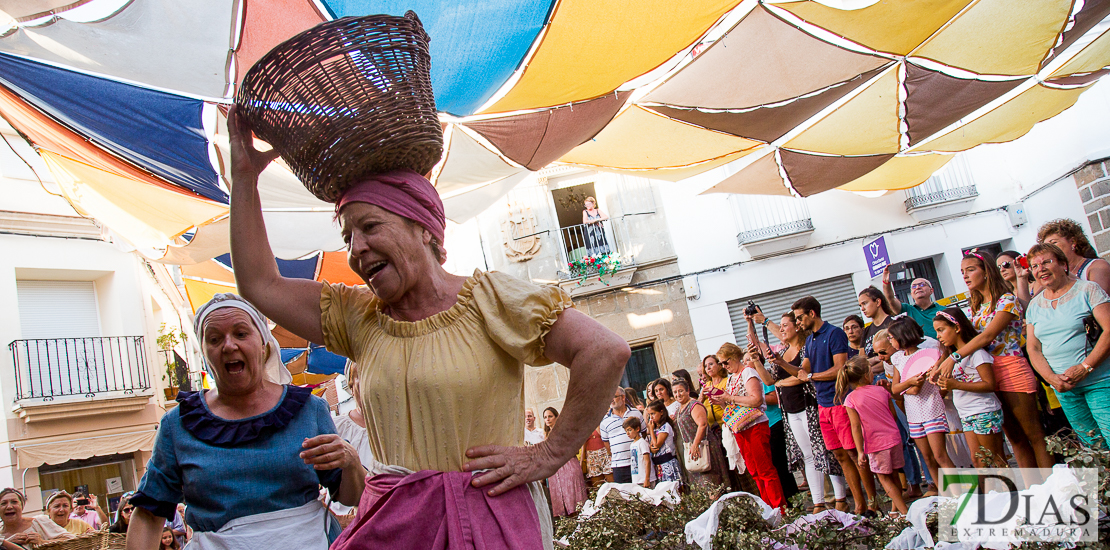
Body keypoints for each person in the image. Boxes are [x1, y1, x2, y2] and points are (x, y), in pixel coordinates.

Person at [227, 106, 630, 550]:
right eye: (348, 237)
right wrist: (244, 176)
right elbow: (259, 283)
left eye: (370, 227)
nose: (357, 249)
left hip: (489, 522)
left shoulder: (489, 299)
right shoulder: (356, 316)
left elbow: (604, 350)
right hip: (395, 526)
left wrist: (549, 454)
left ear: (423, 229)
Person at [125, 295, 367, 550]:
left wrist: (350, 462)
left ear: (264, 345)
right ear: (205, 352)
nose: (228, 346)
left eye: (241, 334)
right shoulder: (179, 425)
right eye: (214, 339)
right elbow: (149, 513)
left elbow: (350, 496)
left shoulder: (309, 410)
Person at [932, 249, 1052, 470]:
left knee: (1035, 435)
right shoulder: (974, 307)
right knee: (1015, 439)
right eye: (962, 272)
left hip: (1011, 367)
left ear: (986, 271)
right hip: (987, 371)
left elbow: (988, 336)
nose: (965, 276)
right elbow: (961, 337)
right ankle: (1032, 490)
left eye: (971, 270)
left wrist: (955, 358)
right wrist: (939, 363)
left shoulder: (1006, 299)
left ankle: (1050, 487)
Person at [749, 311, 846, 512]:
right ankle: (819, 502)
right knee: (808, 455)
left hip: (809, 404)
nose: (782, 329)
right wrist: (756, 361)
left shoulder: (806, 348)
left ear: (797, 327)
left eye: (785, 325)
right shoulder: (782, 352)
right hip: (791, 409)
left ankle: (840, 498)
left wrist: (782, 382)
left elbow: (804, 376)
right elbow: (769, 381)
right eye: (781, 326)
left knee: (826, 452)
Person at [790, 297, 873, 516]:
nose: (798, 323)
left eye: (800, 318)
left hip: (840, 402)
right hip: (822, 405)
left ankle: (871, 502)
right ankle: (858, 503)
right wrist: (780, 364)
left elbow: (840, 368)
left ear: (812, 314)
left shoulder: (834, 333)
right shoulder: (809, 341)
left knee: (855, 454)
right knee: (840, 456)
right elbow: (802, 371)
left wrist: (812, 376)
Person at [1025, 243, 1110, 446]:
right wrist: (1051, 378)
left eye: (1047, 262)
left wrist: (1085, 367)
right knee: (1091, 447)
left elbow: (1109, 330)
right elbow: (1033, 349)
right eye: (1035, 266)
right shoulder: (1034, 306)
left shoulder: (1088, 290)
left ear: (1064, 264)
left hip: (1099, 382)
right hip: (1064, 388)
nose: (1041, 269)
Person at [711, 343, 784, 509]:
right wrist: (722, 401)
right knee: (754, 471)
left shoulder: (747, 372)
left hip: (755, 424)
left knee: (765, 469)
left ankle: (779, 507)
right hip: (741, 427)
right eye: (721, 363)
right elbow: (733, 404)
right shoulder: (731, 378)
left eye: (725, 362)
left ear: (735, 357)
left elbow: (757, 399)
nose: (724, 366)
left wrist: (730, 398)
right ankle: (767, 506)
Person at [933, 308, 1007, 467]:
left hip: (983, 411)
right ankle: (991, 492)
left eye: (941, 330)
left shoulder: (977, 354)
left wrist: (956, 384)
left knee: (994, 458)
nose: (938, 336)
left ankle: (1010, 491)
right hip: (966, 414)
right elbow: (952, 385)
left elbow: (990, 384)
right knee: (977, 460)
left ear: (957, 328)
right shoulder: (950, 358)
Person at [838, 357, 909, 517]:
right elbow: (893, 414)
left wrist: (860, 451)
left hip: (875, 443)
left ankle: (904, 512)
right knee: (895, 474)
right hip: (894, 438)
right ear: (865, 376)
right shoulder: (882, 391)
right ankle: (895, 511)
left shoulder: (851, 399)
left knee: (884, 479)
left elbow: (855, 427)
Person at [888, 318, 955, 486]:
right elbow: (895, 389)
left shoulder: (928, 356)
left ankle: (960, 492)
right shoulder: (897, 358)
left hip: (932, 408)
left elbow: (915, 389)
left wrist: (906, 387)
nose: (890, 340)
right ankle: (943, 493)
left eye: (891, 337)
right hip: (913, 414)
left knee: (940, 456)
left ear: (901, 337)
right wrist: (908, 384)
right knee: (927, 457)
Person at [696, 355, 739, 491]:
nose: (708, 368)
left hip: (728, 426)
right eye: (705, 366)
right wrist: (701, 397)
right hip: (713, 431)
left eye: (711, 364)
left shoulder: (727, 381)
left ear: (719, 365)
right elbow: (697, 407)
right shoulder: (706, 385)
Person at [1038, 218, 1110, 295]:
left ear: (1073, 242)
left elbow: (1098, 298)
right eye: (1046, 247)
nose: (1050, 250)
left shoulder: (1098, 266)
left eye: (1054, 243)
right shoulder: (1051, 275)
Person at [672, 379, 723, 488]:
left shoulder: (694, 405)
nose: (678, 394)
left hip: (703, 446)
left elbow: (703, 424)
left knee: (711, 483)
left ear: (687, 391)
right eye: (675, 392)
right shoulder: (679, 409)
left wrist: (695, 444)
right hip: (692, 450)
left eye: (680, 391)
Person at [542, 408, 588, 517]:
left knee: (574, 499)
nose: (547, 419)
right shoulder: (546, 435)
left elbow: (575, 448)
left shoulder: (565, 430)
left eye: (550, 416)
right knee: (560, 503)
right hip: (554, 471)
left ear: (557, 417)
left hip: (568, 466)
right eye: (545, 417)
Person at [600, 388, 647, 483]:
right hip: (620, 465)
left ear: (623, 397)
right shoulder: (605, 421)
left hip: (639, 462)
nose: (611, 399)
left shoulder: (635, 413)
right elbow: (606, 443)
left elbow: (644, 432)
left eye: (614, 396)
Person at [0, 488, 73, 548]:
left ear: (22, 506)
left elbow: (72, 539)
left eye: (14, 502)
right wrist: (8, 542)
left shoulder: (39, 522)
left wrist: (43, 542)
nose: (9, 507)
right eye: (3, 503)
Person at [883, 268, 944, 339]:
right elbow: (890, 299)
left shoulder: (943, 311)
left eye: (922, 285)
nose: (917, 287)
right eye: (914, 286)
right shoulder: (906, 310)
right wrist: (886, 282)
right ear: (911, 294)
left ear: (931, 290)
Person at [645, 400, 683, 485]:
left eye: (653, 414)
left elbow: (657, 444)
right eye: (649, 415)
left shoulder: (665, 426)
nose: (651, 417)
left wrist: (650, 430)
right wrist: (652, 448)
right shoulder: (655, 428)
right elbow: (653, 446)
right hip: (658, 464)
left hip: (667, 463)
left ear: (661, 412)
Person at [858, 287, 896, 358]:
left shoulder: (894, 323)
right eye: (860, 306)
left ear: (878, 302)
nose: (862, 309)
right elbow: (861, 360)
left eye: (865, 303)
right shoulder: (866, 331)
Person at [625, 417, 654, 488]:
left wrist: (647, 479)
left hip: (645, 479)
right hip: (637, 479)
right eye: (626, 431)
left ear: (637, 429)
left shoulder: (642, 443)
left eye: (630, 430)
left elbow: (647, 461)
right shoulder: (632, 444)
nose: (627, 433)